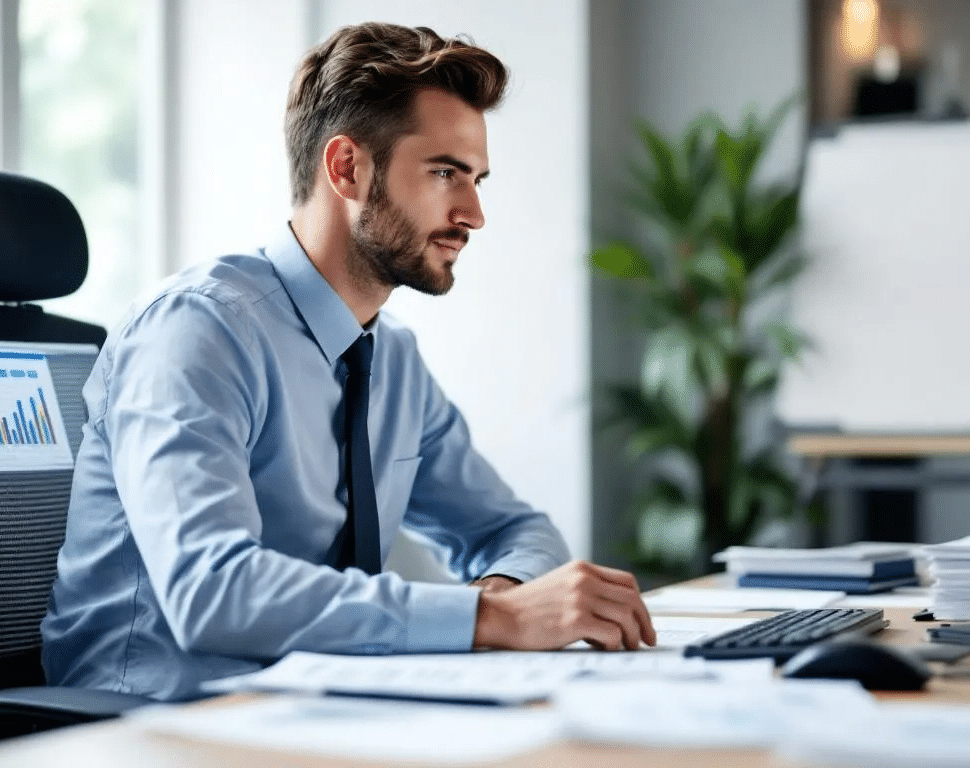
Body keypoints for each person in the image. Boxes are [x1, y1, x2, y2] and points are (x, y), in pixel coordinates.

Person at [41, 21, 655, 702]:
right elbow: (210, 590)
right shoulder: (196, 331)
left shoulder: (390, 358)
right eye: (446, 173)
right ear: (346, 168)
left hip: (326, 712)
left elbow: (512, 529)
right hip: (158, 723)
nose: (475, 212)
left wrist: (505, 597)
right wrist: (490, 618)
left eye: (477, 179)